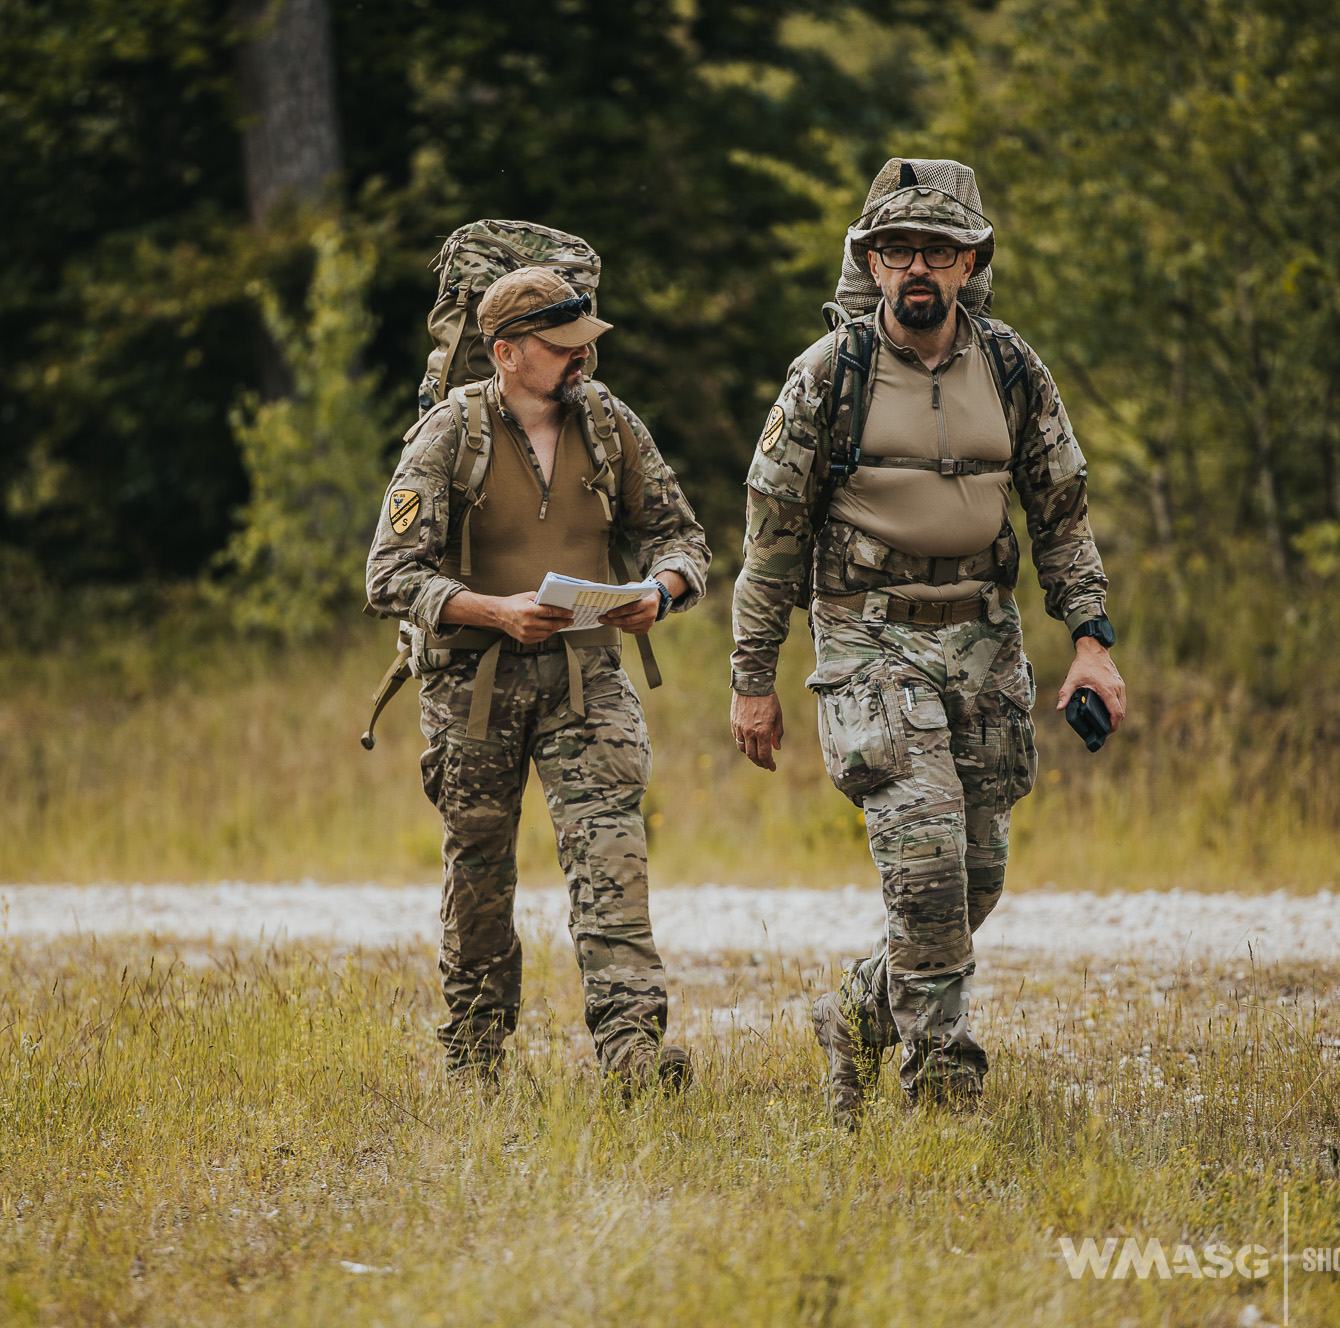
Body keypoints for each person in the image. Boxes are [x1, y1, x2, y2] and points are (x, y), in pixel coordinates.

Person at [727, 161, 1126, 1123]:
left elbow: (1061, 514)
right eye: (900, 249)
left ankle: (858, 1014)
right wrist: (753, 679)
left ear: (970, 263)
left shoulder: (1014, 368)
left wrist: (1091, 640)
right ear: (870, 259)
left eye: (938, 252)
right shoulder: (828, 378)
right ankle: (943, 1091)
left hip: (985, 643)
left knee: (976, 875)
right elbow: (771, 536)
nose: (918, 268)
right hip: (871, 642)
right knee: (926, 869)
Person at [366, 266, 711, 1090]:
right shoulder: (450, 435)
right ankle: (475, 1058)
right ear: (506, 353)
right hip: (471, 688)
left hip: (587, 681)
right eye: (560, 350)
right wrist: (493, 610)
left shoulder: (611, 425)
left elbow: (682, 537)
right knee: (481, 873)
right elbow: (387, 574)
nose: (579, 363)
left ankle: (633, 1053)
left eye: (584, 346)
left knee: (612, 856)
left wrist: (656, 594)